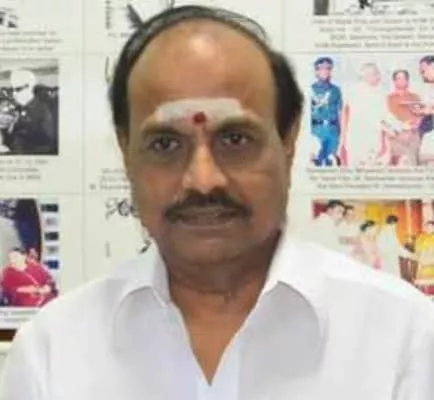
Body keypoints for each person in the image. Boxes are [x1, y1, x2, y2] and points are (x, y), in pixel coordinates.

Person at [1, 6, 433, 399]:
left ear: (289, 140)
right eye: (166, 143)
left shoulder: (403, 338)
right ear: (125, 149)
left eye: (235, 139)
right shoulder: (52, 352)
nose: (203, 180)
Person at [341, 63, 402, 166]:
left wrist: (398, 126)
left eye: (378, 73)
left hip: (374, 141)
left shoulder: (381, 91)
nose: (378, 76)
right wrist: (387, 128)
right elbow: (367, 116)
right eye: (374, 74)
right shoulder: (355, 91)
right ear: (364, 76)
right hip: (358, 140)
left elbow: (385, 114)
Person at [7, 69, 55, 155]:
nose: (14, 94)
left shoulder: (41, 110)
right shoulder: (21, 107)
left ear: (29, 87)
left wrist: (10, 153)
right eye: (12, 90)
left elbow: (46, 144)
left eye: (18, 89)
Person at [310, 57, 343, 166]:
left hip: (332, 130)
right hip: (316, 130)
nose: (325, 71)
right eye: (322, 68)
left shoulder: (336, 90)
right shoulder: (310, 89)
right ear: (316, 71)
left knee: (331, 162)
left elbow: (340, 113)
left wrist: (341, 135)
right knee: (316, 162)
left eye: (328, 68)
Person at [387, 69, 421, 165]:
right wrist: (399, 133)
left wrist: (411, 130)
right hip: (395, 137)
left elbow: (419, 116)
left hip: (412, 136)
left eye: (404, 78)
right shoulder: (388, 98)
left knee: (412, 164)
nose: (402, 81)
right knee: (396, 166)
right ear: (394, 81)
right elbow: (386, 118)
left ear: (408, 81)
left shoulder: (415, 97)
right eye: (399, 78)